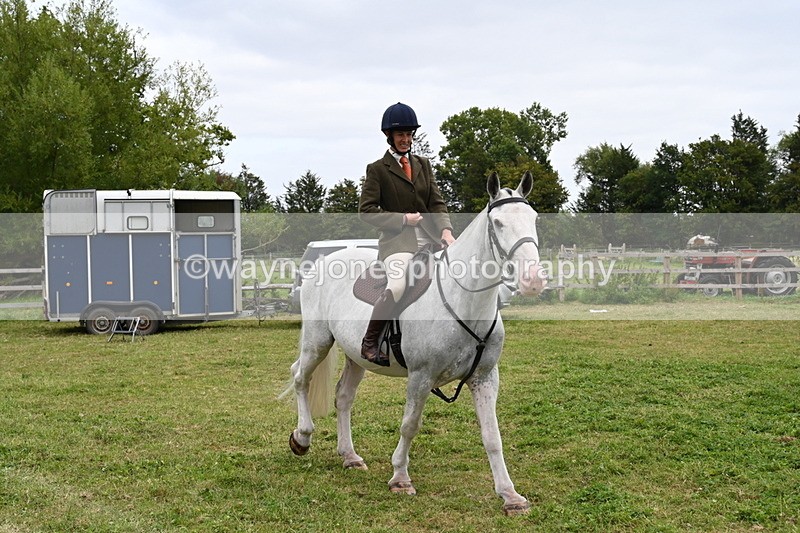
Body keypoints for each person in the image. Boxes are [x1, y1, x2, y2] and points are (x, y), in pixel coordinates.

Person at [358, 102, 455, 366]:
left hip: (432, 241)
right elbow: (366, 211)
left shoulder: (423, 164)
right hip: (398, 243)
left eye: (410, 134)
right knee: (398, 284)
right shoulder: (377, 169)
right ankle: (370, 342)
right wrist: (402, 219)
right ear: (389, 136)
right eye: (401, 134)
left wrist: (445, 230)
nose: (406, 139)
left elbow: (436, 203)